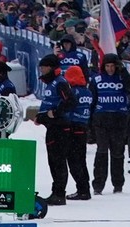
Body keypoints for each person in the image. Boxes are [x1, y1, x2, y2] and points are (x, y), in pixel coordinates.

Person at [90, 54, 130, 196]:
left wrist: (124, 72)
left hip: (118, 120)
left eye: (112, 66)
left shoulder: (122, 78)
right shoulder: (96, 79)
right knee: (101, 152)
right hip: (101, 120)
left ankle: (118, 184)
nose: (110, 69)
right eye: (107, 66)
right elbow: (92, 99)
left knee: (117, 154)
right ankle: (98, 185)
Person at [35, 54, 74, 205]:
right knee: (53, 160)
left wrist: (55, 113)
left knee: (58, 161)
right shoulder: (52, 83)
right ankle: (56, 191)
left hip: (60, 128)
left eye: (43, 67)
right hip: (53, 127)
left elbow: (70, 101)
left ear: (50, 68)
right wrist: (42, 117)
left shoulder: (60, 83)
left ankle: (59, 193)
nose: (41, 70)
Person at [65, 66, 93, 200]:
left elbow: (68, 108)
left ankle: (82, 190)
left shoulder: (73, 92)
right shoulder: (87, 92)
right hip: (83, 128)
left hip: (73, 128)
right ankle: (85, 188)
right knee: (81, 160)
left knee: (73, 160)